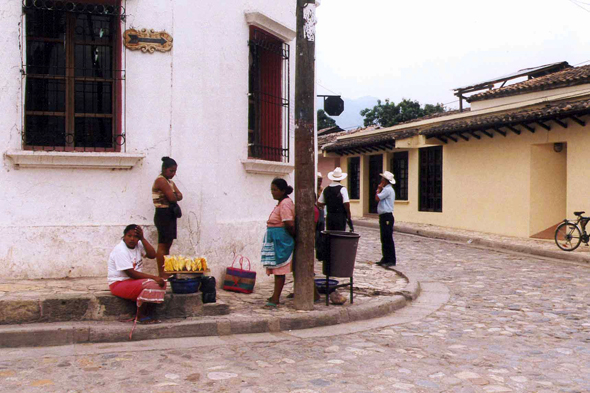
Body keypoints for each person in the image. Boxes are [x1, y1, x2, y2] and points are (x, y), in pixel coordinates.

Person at [108, 224, 167, 327]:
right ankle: (140, 316)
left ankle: (147, 312)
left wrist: (143, 239)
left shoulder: (138, 245)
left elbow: (153, 255)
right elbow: (132, 273)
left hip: (133, 282)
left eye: (135, 236)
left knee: (161, 283)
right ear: (124, 236)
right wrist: (153, 277)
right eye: (129, 236)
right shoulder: (120, 250)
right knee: (151, 284)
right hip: (118, 283)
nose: (132, 239)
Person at [261, 178, 296, 308]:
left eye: (275, 190)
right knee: (276, 269)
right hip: (275, 238)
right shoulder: (281, 203)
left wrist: (292, 237)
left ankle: (276, 298)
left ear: (282, 191)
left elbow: (289, 223)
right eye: (271, 190)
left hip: (280, 240)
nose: (272, 192)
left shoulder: (285, 203)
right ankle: (275, 295)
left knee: (279, 270)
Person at [152, 157, 183, 277]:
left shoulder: (170, 182)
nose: (173, 174)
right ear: (164, 169)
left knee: (168, 244)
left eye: (175, 171)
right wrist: (174, 195)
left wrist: (175, 195)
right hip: (163, 214)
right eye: (171, 171)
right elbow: (172, 198)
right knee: (163, 244)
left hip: (170, 214)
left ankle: (166, 269)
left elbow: (180, 195)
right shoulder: (161, 181)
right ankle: (162, 273)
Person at [317, 167, 353, 231]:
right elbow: (346, 203)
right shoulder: (342, 189)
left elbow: (319, 203)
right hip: (340, 216)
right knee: (340, 234)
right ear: (341, 179)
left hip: (330, 216)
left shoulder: (326, 189)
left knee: (330, 234)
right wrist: (348, 215)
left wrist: (328, 202)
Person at [375, 171, 397, 267]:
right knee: (384, 237)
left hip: (387, 216)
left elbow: (377, 198)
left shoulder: (387, 190)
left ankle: (391, 259)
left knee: (387, 238)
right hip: (384, 216)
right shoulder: (387, 189)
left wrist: (378, 189)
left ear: (385, 181)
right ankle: (385, 258)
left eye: (382, 179)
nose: (381, 180)